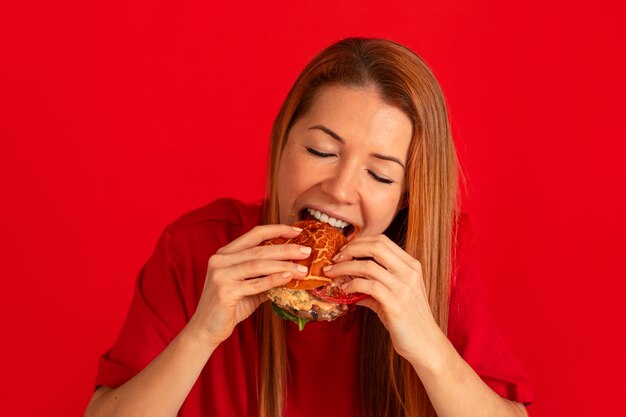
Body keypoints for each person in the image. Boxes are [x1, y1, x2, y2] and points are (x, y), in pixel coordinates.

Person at [85, 38, 533, 417]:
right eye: (321, 150)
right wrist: (202, 333)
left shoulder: (435, 262)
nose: (340, 190)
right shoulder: (196, 247)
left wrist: (428, 346)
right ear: (283, 140)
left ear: (406, 198)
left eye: (379, 175)